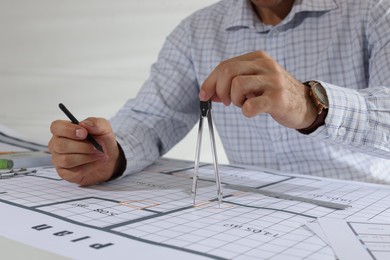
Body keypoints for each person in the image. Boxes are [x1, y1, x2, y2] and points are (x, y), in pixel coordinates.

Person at [48, 0, 390, 186]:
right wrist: (112, 154)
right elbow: (154, 118)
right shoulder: (197, 31)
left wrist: (311, 104)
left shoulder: (376, 11)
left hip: (362, 210)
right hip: (250, 216)